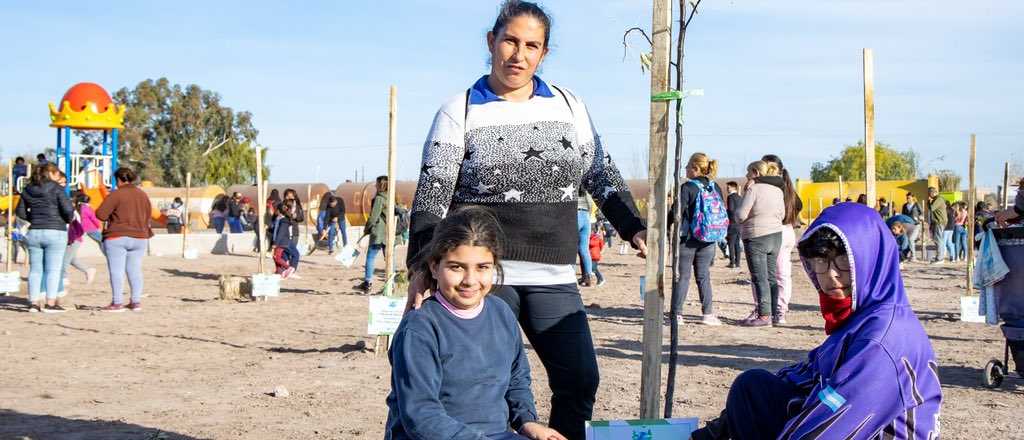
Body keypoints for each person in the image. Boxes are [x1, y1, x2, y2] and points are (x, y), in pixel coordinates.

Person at [404, 2, 647, 437]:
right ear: (491, 42)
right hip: (485, 275)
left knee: (579, 379)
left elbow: (599, 172)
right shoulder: (459, 110)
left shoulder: (569, 106)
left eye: (531, 46)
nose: (519, 54)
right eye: (510, 41)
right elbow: (433, 192)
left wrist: (633, 225)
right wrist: (422, 265)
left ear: (544, 53)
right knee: (476, 388)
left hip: (553, 273)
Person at [690, 203, 942, 440]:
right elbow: (806, 375)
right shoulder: (862, 317)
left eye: (844, 261)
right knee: (754, 388)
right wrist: (713, 433)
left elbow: (829, 427)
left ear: (872, 259)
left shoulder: (883, 341)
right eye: (821, 262)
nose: (832, 275)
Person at [386, 206, 566, 440]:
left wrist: (527, 422)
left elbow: (516, 378)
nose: (470, 280)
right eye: (456, 267)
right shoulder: (420, 328)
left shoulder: (501, 312)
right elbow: (422, 416)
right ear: (434, 266)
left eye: (482, 267)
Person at [670, 153, 726, 325]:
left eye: (687, 166)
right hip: (709, 238)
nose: (685, 169)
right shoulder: (714, 186)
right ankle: (708, 314)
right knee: (704, 276)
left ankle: (677, 314)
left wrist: (663, 225)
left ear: (695, 168)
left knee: (683, 276)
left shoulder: (687, 187)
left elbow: (676, 212)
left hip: (688, 238)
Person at [15, 163, 74, 313]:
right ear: (51, 173)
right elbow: (68, 209)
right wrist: (67, 219)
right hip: (55, 231)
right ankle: (50, 303)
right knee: (53, 270)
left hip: (34, 232)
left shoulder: (27, 189)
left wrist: (33, 218)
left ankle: (34, 303)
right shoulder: (56, 188)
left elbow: (20, 212)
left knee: (35, 269)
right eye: (56, 173)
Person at [96, 167, 153, 312]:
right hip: (140, 237)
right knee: (135, 270)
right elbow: (148, 215)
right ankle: (135, 301)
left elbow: (101, 214)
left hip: (117, 236)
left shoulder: (116, 194)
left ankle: (117, 302)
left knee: (117, 271)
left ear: (118, 180)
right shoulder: (143, 195)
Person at [736, 161, 785, 327]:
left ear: (756, 172)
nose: (746, 176)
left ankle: (764, 316)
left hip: (756, 236)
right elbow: (783, 214)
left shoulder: (753, 189)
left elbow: (741, 214)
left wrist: (743, 198)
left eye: (748, 172)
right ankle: (773, 314)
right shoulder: (778, 190)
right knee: (772, 277)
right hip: (776, 235)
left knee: (759, 277)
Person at [760, 154, 803, 324]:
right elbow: (798, 205)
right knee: (782, 274)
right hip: (786, 231)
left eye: (772, 168)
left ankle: (768, 310)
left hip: (773, 231)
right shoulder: (787, 188)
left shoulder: (767, 187)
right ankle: (779, 311)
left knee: (765, 273)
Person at [60, 192, 98, 291]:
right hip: (77, 236)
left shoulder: (75, 210)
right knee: (71, 259)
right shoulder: (82, 209)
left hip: (74, 238)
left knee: (65, 260)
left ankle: (64, 278)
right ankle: (88, 270)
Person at [358, 176, 389, 292]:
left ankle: (368, 282)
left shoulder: (379, 198)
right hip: (389, 232)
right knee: (389, 258)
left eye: (377, 183)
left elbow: (374, 216)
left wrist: (367, 228)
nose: (375, 185)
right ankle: (391, 283)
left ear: (381, 185)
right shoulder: (391, 198)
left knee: (370, 257)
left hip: (379, 232)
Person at [270, 200, 295, 279]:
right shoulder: (278, 219)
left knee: (276, 257)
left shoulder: (284, 221)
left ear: (278, 210)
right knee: (275, 257)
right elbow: (275, 230)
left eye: (276, 210)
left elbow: (280, 233)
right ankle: (279, 271)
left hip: (282, 242)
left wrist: (276, 243)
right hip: (278, 241)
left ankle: (288, 268)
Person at [282, 188, 304, 275]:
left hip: (294, 231)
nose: (289, 197)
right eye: (287, 195)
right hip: (285, 231)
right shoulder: (283, 205)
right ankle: (287, 268)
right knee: (285, 251)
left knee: (293, 250)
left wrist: (296, 217)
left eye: (291, 195)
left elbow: (301, 218)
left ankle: (290, 269)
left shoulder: (298, 206)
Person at [577, 189, 595, 286]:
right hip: (586, 215)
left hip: (575, 214)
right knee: (584, 249)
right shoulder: (586, 188)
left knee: (571, 247)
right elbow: (590, 203)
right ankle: (588, 276)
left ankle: (570, 277)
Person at [926, 187, 948, 263]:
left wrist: (929, 201)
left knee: (938, 239)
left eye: (929, 193)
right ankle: (939, 256)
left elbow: (931, 208)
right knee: (937, 239)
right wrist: (929, 201)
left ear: (933, 192)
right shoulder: (936, 199)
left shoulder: (939, 199)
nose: (928, 195)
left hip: (940, 221)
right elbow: (929, 208)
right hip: (937, 221)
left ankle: (940, 258)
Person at [725, 181, 743, 269]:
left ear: (733, 188)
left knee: (731, 243)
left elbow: (731, 209)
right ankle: (738, 263)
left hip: (732, 223)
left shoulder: (730, 197)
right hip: (739, 223)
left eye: (728, 188)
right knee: (737, 244)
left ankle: (732, 262)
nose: (727, 189)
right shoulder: (740, 197)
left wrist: (726, 212)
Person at [901, 193, 923, 261]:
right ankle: (905, 255)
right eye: (907, 198)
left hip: (916, 225)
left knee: (911, 239)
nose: (908, 199)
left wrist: (920, 217)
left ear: (913, 198)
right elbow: (903, 215)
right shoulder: (904, 205)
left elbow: (922, 213)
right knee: (906, 240)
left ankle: (914, 256)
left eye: (909, 198)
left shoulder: (916, 205)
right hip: (907, 225)